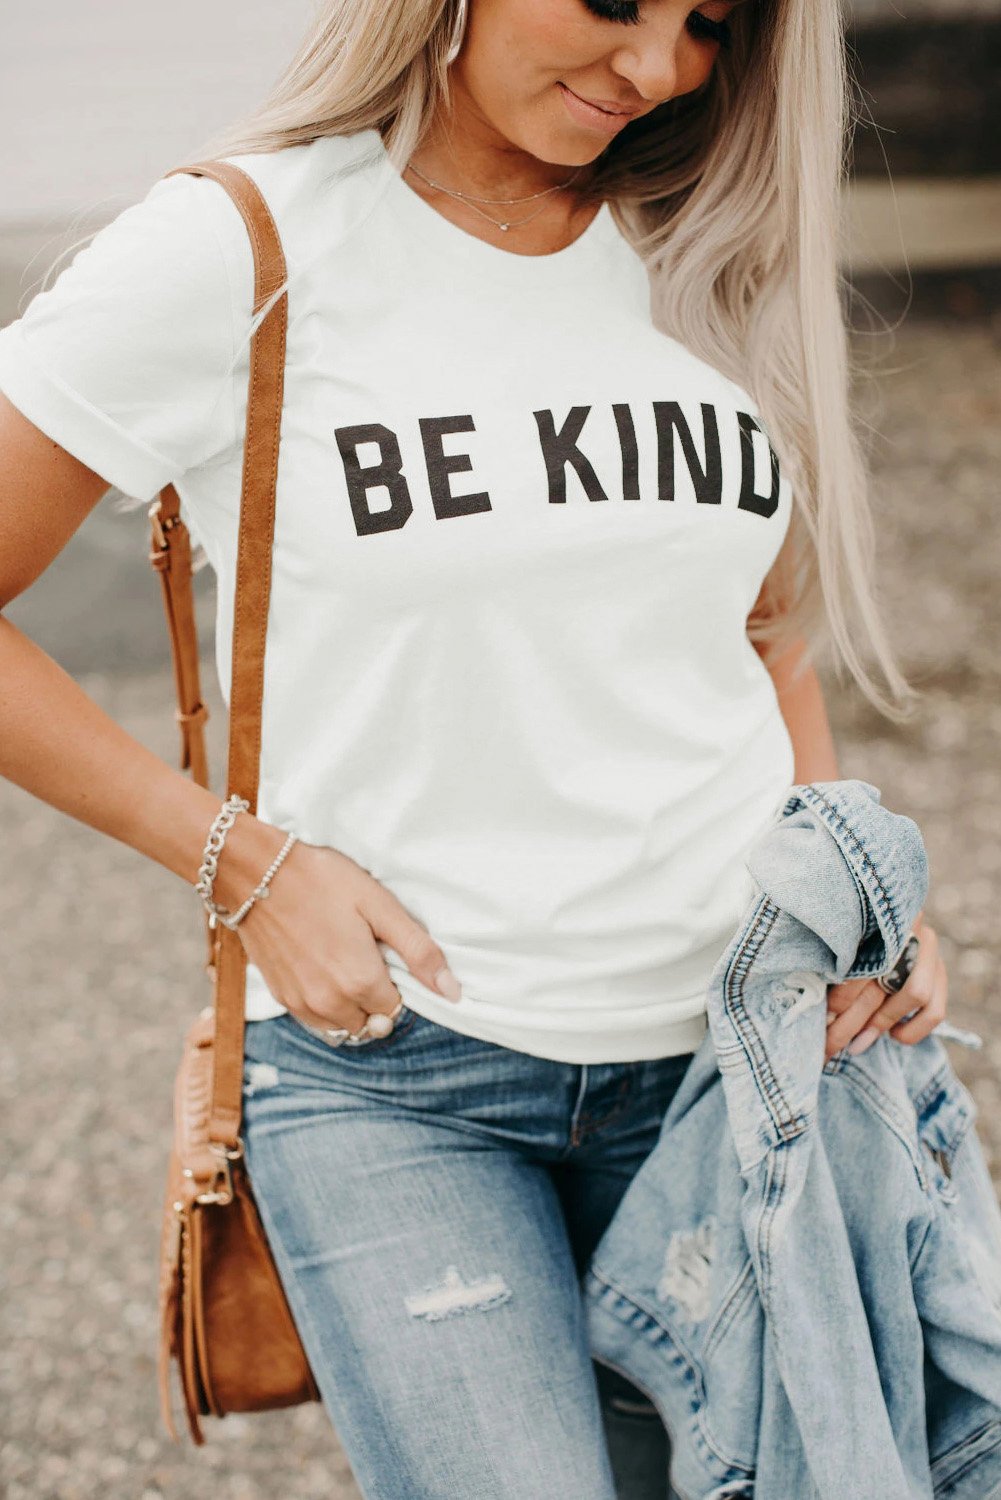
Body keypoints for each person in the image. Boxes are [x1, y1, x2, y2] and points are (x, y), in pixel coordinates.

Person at [0, 0, 951, 1494]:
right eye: (615, 2)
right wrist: (237, 860)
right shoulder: (242, 249)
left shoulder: (704, 242)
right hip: (398, 1077)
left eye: (706, 24)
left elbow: (754, 633)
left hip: (730, 1068)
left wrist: (853, 901)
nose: (653, 68)